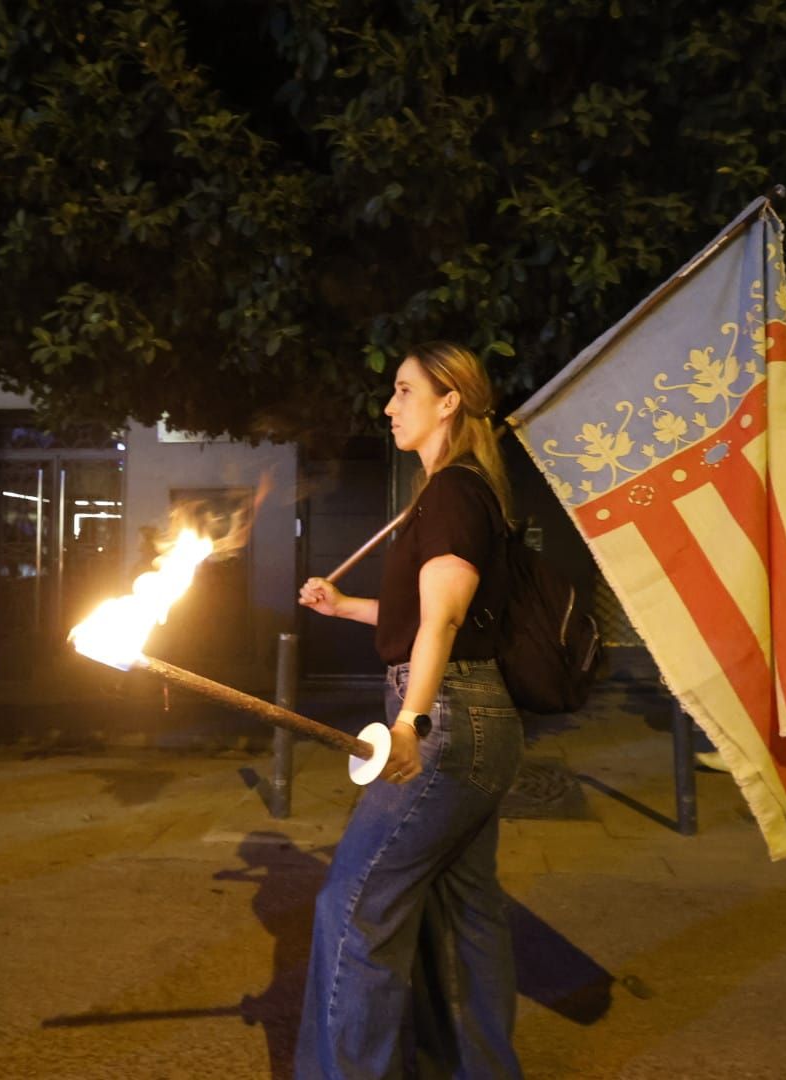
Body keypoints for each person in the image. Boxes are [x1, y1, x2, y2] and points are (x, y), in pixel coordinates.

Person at [295, 342, 524, 1079]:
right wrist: (344, 607)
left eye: (402, 390)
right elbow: (419, 616)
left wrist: (410, 725)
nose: (389, 406)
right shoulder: (457, 491)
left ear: (448, 400)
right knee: (468, 914)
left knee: (353, 910)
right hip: (476, 715)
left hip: (448, 720)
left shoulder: (454, 492)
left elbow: (443, 624)